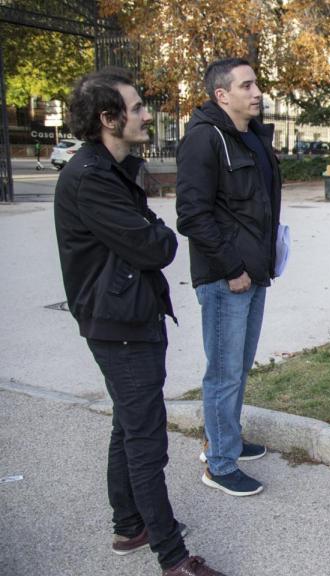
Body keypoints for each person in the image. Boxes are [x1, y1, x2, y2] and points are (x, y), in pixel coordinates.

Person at [54, 68, 225, 576]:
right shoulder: (90, 177)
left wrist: (151, 232)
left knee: (128, 425)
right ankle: (173, 558)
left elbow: (148, 240)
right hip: (119, 324)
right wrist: (155, 232)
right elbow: (158, 245)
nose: (147, 114)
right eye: (137, 106)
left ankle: (129, 526)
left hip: (127, 315)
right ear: (109, 119)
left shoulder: (113, 169)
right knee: (146, 438)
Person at [176, 58, 281, 497]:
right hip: (226, 279)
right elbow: (192, 216)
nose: (257, 91)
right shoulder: (205, 140)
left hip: (253, 273)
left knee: (237, 367)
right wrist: (232, 269)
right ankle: (219, 463)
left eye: (256, 83)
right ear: (222, 95)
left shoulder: (250, 136)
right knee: (223, 372)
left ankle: (225, 439)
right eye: (247, 85)